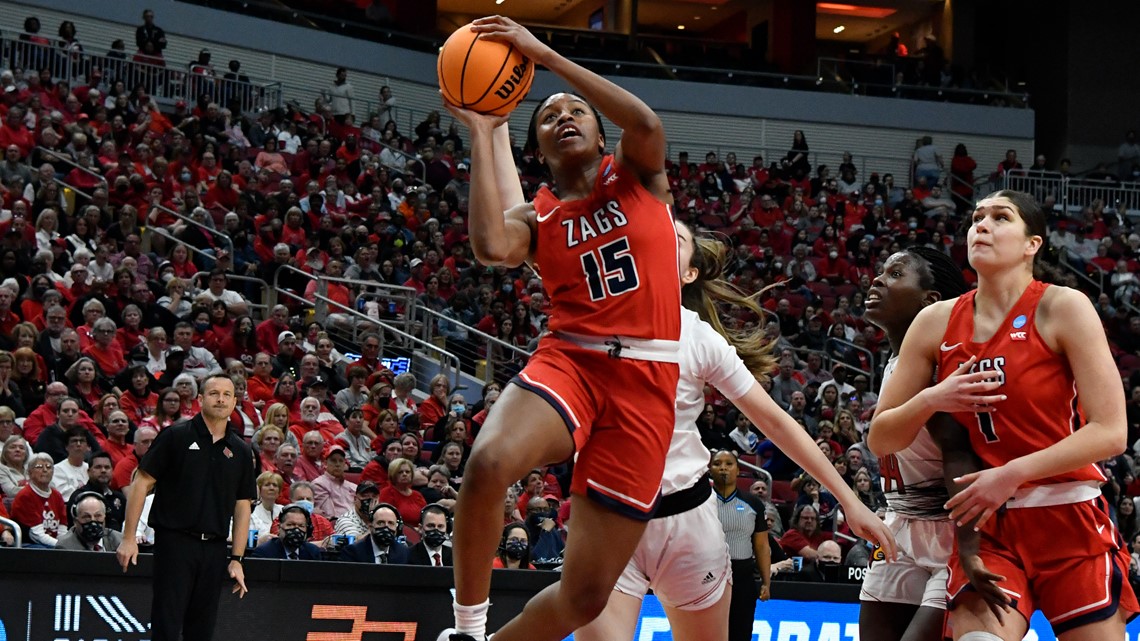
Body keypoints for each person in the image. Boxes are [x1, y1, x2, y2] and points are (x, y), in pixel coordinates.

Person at [439, 15, 685, 641]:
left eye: (577, 111)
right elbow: (492, 244)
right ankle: (467, 629)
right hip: (571, 359)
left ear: (603, 137)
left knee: (583, 598)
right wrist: (482, 131)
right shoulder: (539, 214)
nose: (565, 117)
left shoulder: (636, 175)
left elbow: (648, 122)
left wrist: (543, 55)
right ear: (540, 150)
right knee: (490, 462)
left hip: (646, 380)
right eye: (549, 118)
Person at [577, 221, 895, 641]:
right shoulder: (588, 315)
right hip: (609, 517)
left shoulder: (700, 337)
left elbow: (778, 423)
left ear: (689, 273)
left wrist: (849, 501)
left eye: (675, 239)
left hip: (684, 522)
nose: (658, 238)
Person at [870, 190, 1139, 640]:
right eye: (977, 217)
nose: (982, 225)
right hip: (988, 526)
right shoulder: (935, 321)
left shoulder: (1063, 306)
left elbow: (1111, 433)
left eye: (1000, 217)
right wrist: (934, 397)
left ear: (1032, 243)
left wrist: (1012, 473)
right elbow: (880, 438)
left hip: (1066, 515)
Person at [859, 246, 969, 641]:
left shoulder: (941, 367)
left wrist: (971, 552)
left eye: (895, 273)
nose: (878, 279)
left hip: (953, 534)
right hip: (900, 527)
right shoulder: (895, 363)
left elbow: (959, 454)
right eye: (881, 271)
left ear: (931, 301)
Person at [116, 374, 255, 641]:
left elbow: (242, 506)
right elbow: (142, 484)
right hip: (174, 542)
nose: (221, 399)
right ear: (200, 399)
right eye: (214, 393)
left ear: (235, 402)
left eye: (227, 395)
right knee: (167, 625)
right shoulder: (176, 436)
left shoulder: (240, 450)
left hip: (214, 548)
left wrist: (237, 559)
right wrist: (129, 537)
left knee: (201, 629)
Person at [339, 503, 411, 564]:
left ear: (397, 528)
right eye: (380, 523)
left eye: (391, 523)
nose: (386, 527)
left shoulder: (403, 553)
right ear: (370, 527)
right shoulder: (353, 552)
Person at [250, 504, 322, 560]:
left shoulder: (313, 553)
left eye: (301, 526)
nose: (296, 530)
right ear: (279, 528)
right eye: (290, 525)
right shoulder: (263, 553)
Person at [56, 492, 123, 551]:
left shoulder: (120, 541)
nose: (93, 521)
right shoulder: (64, 547)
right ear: (75, 521)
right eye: (86, 517)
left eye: (98, 516)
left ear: (105, 518)